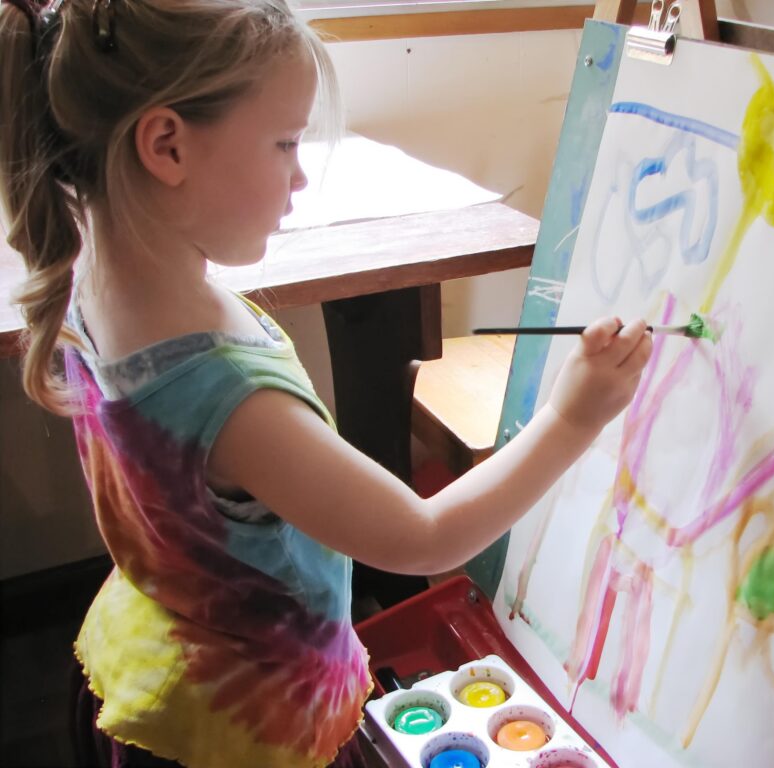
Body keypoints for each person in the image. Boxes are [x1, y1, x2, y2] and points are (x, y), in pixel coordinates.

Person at [0, 1, 653, 766]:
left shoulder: (96, 278)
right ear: (166, 145)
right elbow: (424, 537)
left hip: (162, 654)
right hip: (243, 732)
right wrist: (573, 419)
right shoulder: (226, 394)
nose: (300, 174)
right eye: (283, 143)